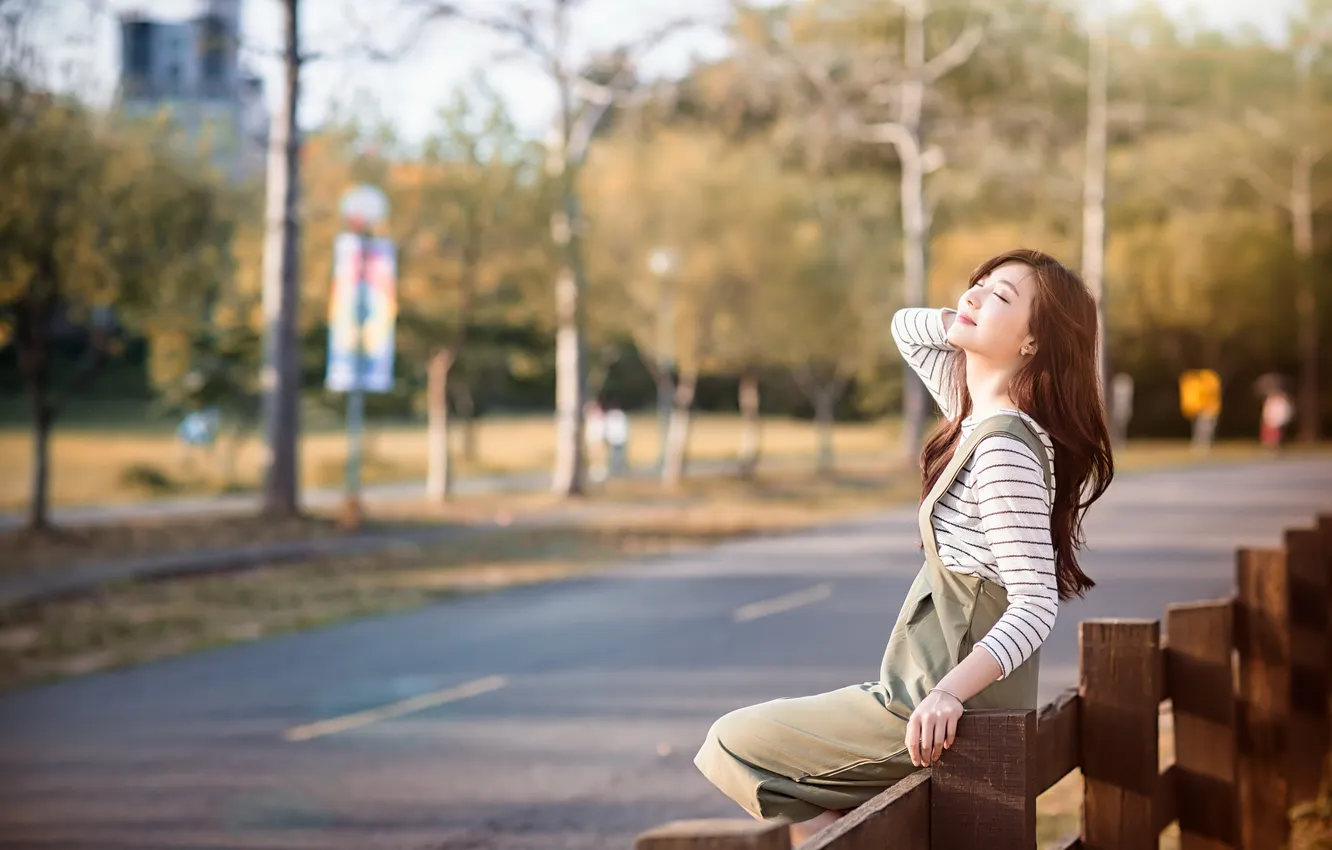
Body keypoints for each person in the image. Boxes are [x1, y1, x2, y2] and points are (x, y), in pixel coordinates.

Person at [693, 249, 1115, 845]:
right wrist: (968, 317)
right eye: (978, 283)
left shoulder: (1002, 448)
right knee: (785, 778)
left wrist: (947, 694)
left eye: (1000, 297)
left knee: (731, 742)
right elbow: (906, 328)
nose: (973, 296)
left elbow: (1035, 603)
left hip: (942, 706)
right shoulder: (975, 416)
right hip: (928, 697)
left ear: (1033, 342)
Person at [1260, 388, 1294, 452]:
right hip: (1272, 419)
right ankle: (1269, 444)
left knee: (1277, 433)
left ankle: (1276, 444)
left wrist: (1282, 419)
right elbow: (1267, 410)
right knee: (1270, 432)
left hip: (1278, 420)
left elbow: (1285, 411)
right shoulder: (1270, 401)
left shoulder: (1282, 402)